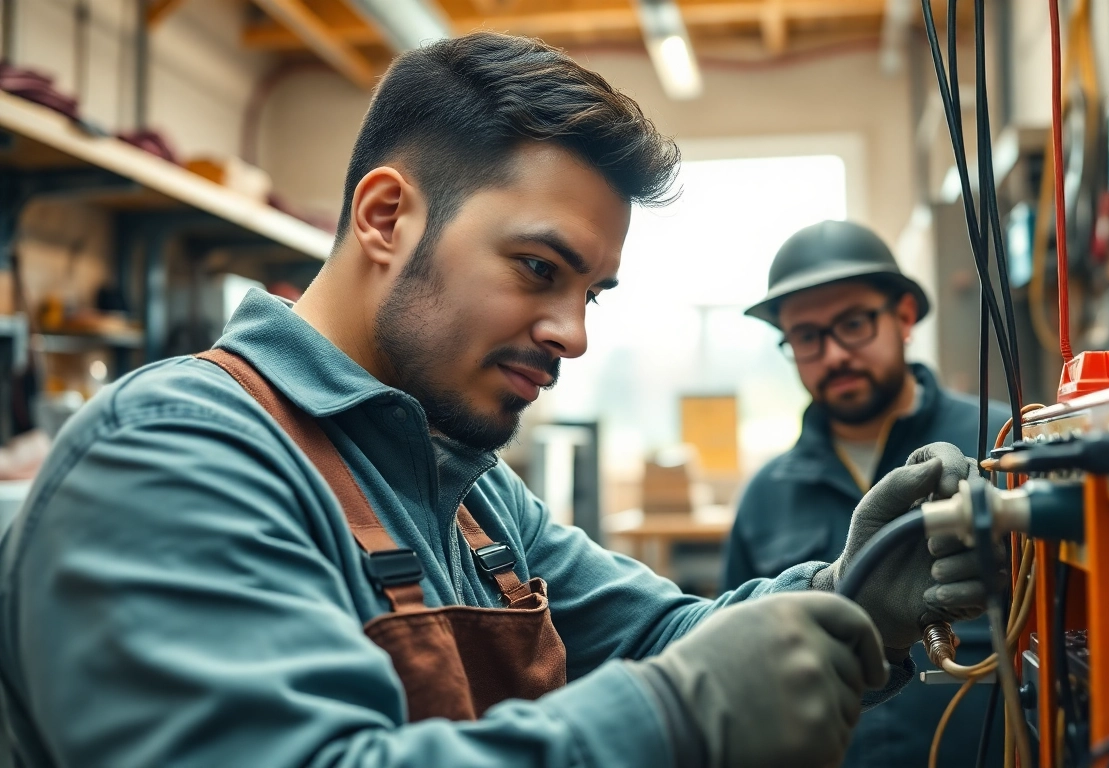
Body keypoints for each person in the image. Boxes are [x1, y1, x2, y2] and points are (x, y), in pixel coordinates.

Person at [0, 34, 996, 768]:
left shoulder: (467, 492)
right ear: (387, 216)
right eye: (537, 267)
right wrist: (672, 723)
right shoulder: (178, 461)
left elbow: (658, 636)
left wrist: (849, 591)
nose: (574, 332)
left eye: (591, 292)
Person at [724, 219, 1013, 767]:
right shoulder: (766, 496)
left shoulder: (1001, 445)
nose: (833, 355)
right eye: (807, 337)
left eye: (853, 323)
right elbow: (742, 659)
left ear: (904, 318)